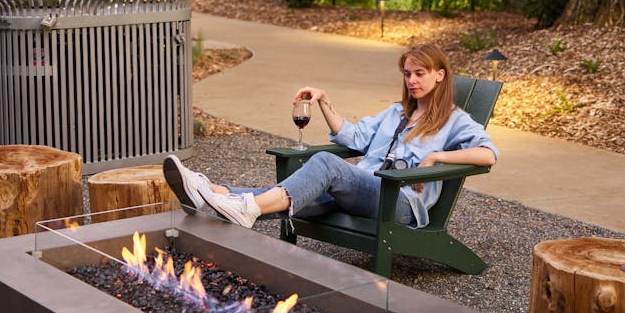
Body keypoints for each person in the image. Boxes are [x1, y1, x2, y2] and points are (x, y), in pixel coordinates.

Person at [163, 42, 498, 230]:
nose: (412, 80)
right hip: (362, 189)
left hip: (399, 202)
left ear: (440, 75)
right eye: (408, 74)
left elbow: (488, 154)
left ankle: (233, 203)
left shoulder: (455, 120)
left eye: (420, 74)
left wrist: (437, 156)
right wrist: (323, 100)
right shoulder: (396, 113)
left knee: (323, 163)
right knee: (295, 193)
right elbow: (352, 136)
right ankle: (210, 192)